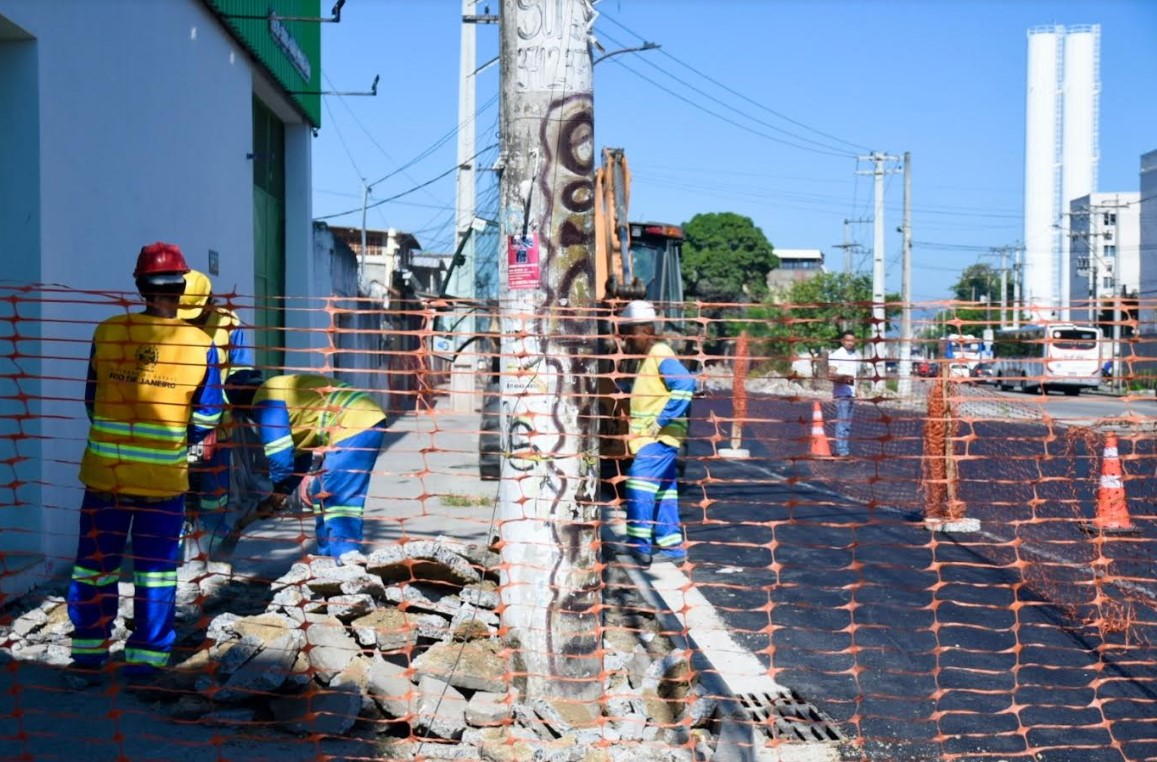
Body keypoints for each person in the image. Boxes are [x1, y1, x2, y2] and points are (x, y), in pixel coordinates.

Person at [65, 243, 223, 689]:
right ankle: (146, 662)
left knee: (94, 566)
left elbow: (92, 401)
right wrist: (179, 442)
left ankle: (88, 657)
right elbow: (209, 416)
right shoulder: (201, 344)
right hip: (163, 483)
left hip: (104, 477)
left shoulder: (109, 331)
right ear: (182, 287)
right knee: (155, 572)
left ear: (139, 286)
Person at [229, 374, 387, 559]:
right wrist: (282, 492)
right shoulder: (281, 392)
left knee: (336, 495)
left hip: (353, 424)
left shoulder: (267, 398)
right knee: (319, 491)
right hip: (360, 419)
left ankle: (347, 556)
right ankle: (327, 557)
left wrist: (277, 487)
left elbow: (279, 456)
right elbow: (300, 460)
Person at [176, 269, 259, 556]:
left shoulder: (229, 324)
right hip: (174, 428)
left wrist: (223, 403)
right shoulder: (168, 321)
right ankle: (174, 559)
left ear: (210, 302)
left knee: (214, 496)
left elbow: (241, 371)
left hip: (218, 429)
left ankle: (209, 554)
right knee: (175, 496)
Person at [616, 300, 696, 568]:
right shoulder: (648, 359)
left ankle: (640, 548)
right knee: (664, 492)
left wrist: (660, 420)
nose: (626, 340)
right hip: (656, 440)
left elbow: (685, 384)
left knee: (639, 488)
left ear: (645, 330)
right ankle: (672, 548)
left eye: (629, 333)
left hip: (657, 439)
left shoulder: (660, 351)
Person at [827, 329, 861, 458]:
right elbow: (831, 375)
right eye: (847, 340)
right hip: (841, 394)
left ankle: (844, 449)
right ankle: (842, 451)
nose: (850, 343)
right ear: (842, 341)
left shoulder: (853, 355)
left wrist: (857, 390)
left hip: (851, 394)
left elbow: (855, 376)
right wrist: (843, 378)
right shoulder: (837, 354)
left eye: (852, 340)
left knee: (847, 424)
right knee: (842, 423)